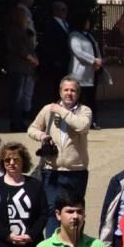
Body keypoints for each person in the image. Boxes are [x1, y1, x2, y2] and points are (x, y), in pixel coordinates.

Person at [28, 75, 92, 236]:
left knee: (75, 211)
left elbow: (82, 126)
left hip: (76, 171)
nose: (69, 93)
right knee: (52, 211)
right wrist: (42, 136)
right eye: (66, 90)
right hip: (52, 170)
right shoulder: (48, 110)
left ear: (78, 93)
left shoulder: (84, 111)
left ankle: (74, 244)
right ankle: (53, 245)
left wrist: (62, 111)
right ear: (60, 91)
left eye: (73, 90)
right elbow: (32, 129)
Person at [68, 11, 105, 130]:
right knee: (79, 98)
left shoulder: (89, 35)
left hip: (92, 73)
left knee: (91, 99)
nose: (89, 23)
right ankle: (76, 122)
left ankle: (92, 121)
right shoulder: (74, 35)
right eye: (87, 21)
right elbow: (78, 52)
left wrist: (99, 61)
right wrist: (93, 60)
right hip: (80, 72)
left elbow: (96, 48)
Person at [6, 3, 39, 132]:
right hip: (18, 67)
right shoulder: (14, 31)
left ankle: (20, 121)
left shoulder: (24, 30)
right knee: (17, 97)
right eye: (24, 16)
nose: (26, 19)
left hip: (25, 68)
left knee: (22, 96)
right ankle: (16, 122)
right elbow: (19, 48)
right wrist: (31, 58)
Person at [37, 0, 71, 105]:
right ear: (56, 11)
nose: (65, 12)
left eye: (66, 10)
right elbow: (50, 44)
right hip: (57, 61)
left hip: (66, 60)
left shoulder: (66, 24)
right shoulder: (50, 24)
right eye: (63, 10)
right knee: (57, 85)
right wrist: (55, 59)